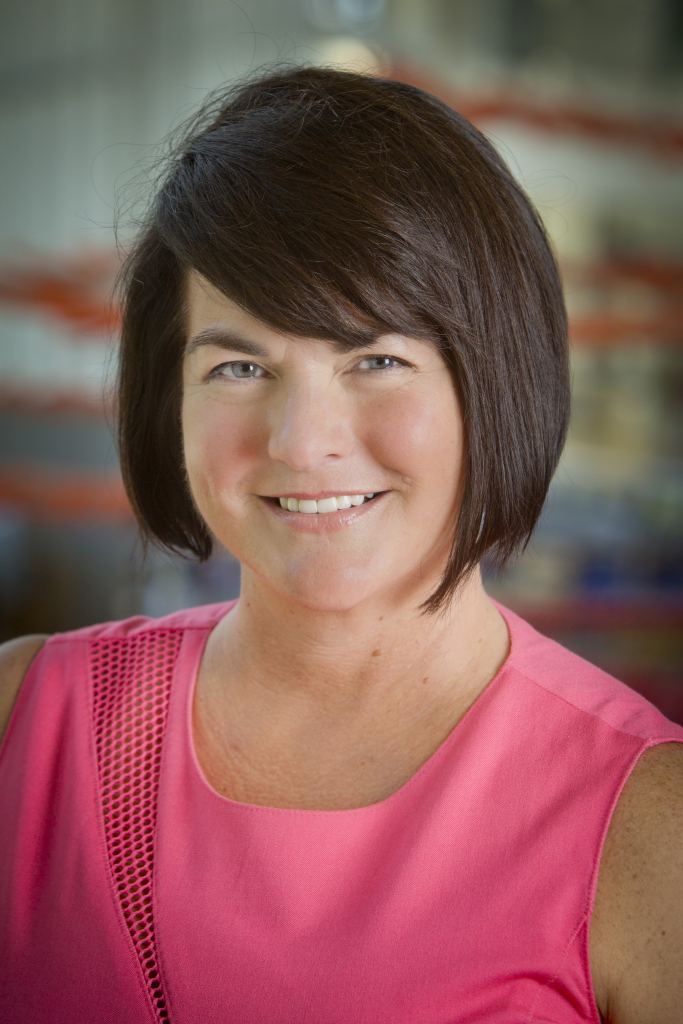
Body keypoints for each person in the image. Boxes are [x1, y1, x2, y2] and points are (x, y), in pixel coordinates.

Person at [1, 63, 681, 1024]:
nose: (300, 442)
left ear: (498, 382)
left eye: (376, 359)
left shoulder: (648, 824)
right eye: (240, 363)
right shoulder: (21, 722)